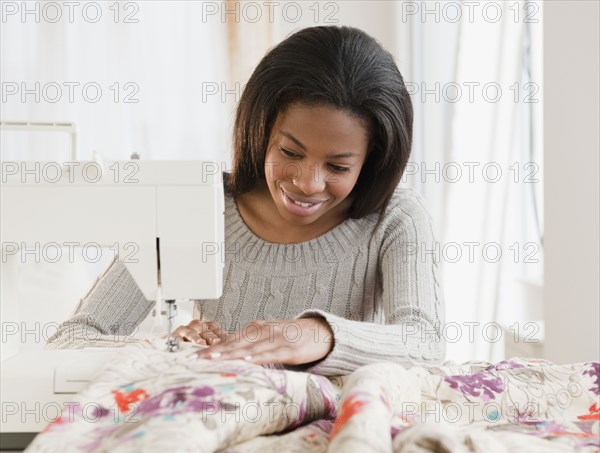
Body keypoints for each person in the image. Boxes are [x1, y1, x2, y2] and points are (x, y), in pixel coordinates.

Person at [49, 26, 445, 377]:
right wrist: (167, 352)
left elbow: (425, 345)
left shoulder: (396, 220)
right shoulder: (190, 206)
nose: (308, 184)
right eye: (290, 153)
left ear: (372, 159)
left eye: (338, 166)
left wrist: (320, 335)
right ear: (261, 129)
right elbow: (72, 339)